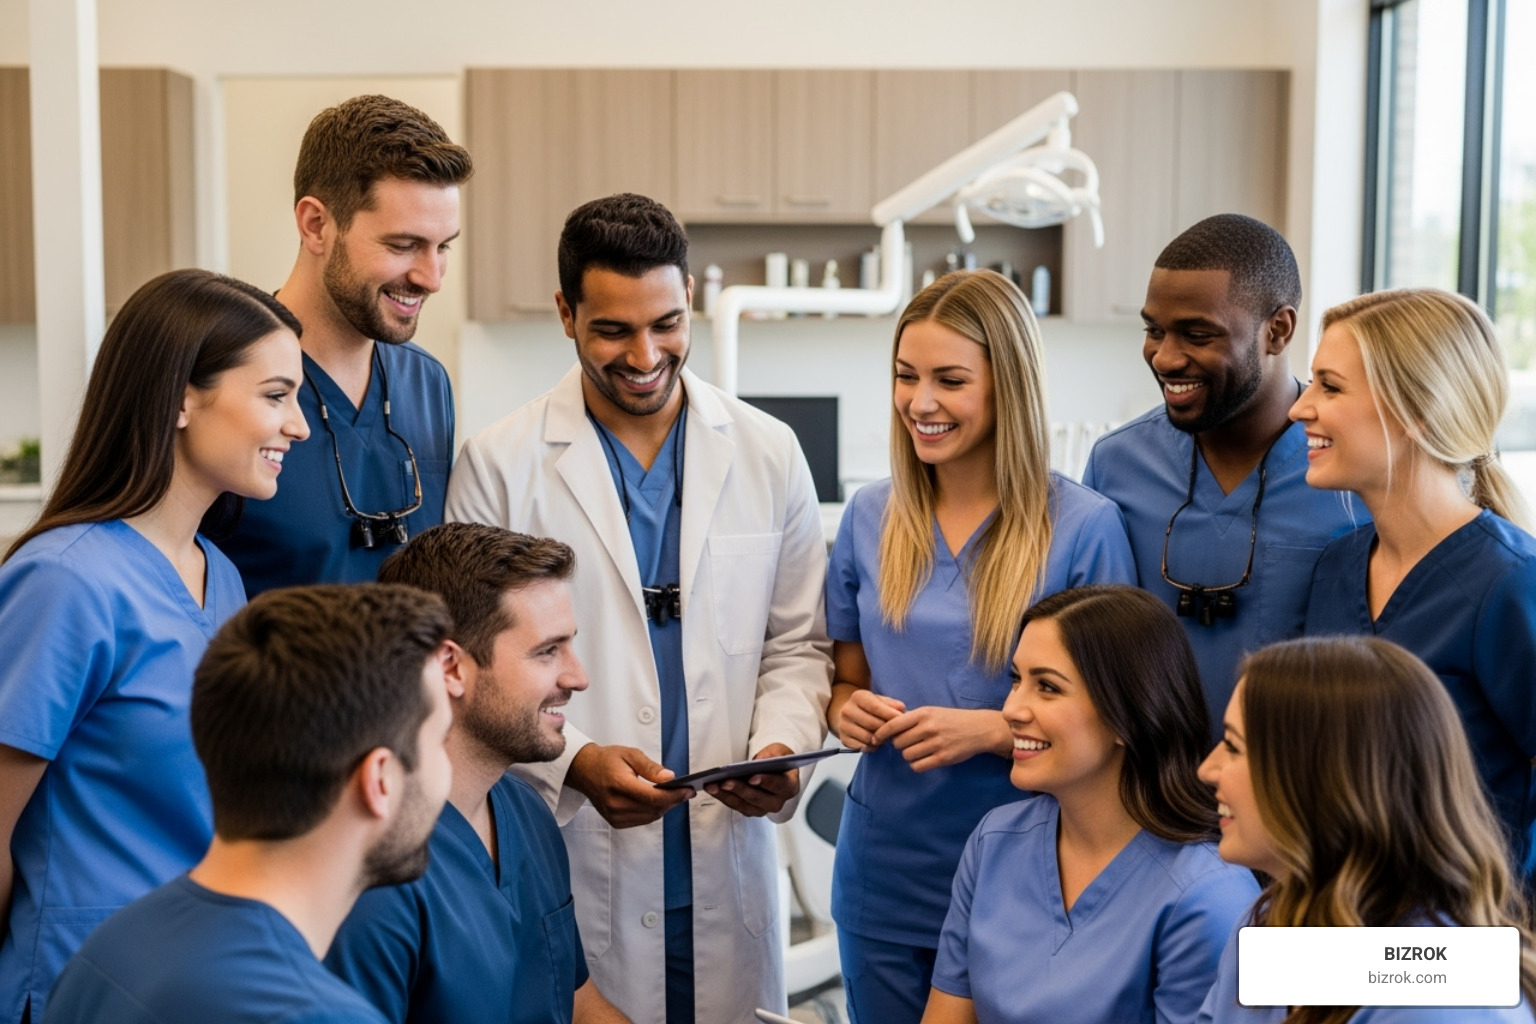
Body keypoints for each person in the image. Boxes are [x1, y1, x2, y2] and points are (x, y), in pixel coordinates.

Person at [446, 193, 831, 1024]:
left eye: (666, 323)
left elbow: (798, 645)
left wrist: (779, 746)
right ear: (565, 313)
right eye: (613, 330)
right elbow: (474, 669)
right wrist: (576, 762)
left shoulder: (768, 451)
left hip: (727, 855)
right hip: (581, 851)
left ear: (689, 299)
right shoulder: (499, 465)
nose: (646, 353)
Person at [825, 269, 1136, 1024]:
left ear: (1008, 387)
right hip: (886, 868)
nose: (920, 403)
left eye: (950, 380)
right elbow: (843, 673)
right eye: (906, 377)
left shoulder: (1084, 526)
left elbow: (1121, 713)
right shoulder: (871, 515)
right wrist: (845, 710)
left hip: (1029, 868)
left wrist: (999, 728)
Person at [0, 269, 309, 1023]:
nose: (298, 425)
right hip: (83, 989)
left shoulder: (223, 579)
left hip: (195, 983)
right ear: (180, 397)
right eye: (275, 396)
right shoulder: (66, 583)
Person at [43, 584, 454, 1023]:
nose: (445, 771)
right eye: (440, 741)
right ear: (379, 780)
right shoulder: (316, 1015)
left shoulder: (111, 949)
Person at [326, 523, 630, 1024]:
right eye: (548, 651)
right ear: (450, 667)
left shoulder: (527, 813)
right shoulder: (369, 875)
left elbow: (578, 1005)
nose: (578, 677)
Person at [921, 585, 1258, 1024]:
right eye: (1016, 680)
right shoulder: (994, 841)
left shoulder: (1209, 897)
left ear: (1128, 716)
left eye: (1047, 687)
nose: (1011, 709)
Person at [1081, 213, 1361, 733]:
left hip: (1288, 797)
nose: (1164, 357)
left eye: (1197, 334)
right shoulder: (1115, 465)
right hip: (1150, 798)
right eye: (1154, 330)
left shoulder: (1349, 477)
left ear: (1277, 330)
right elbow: (1087, 645)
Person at [1294, 287, 1536, 874]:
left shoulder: (1509, 583)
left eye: (1330, 386)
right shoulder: (1336, 568)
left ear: (1415, 409)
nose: (1299, 409)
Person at [1197, 635, 1536, 1023]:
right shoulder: (1274, 918)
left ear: (1325, 782)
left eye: (1233, 746)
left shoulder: (1441, 1004)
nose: (1206, 769)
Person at [215, 93, 472, 594]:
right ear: (316, 225)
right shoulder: (222, 378)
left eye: (443, 247)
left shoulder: (427, 381)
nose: (432, 277)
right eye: (403, 246)